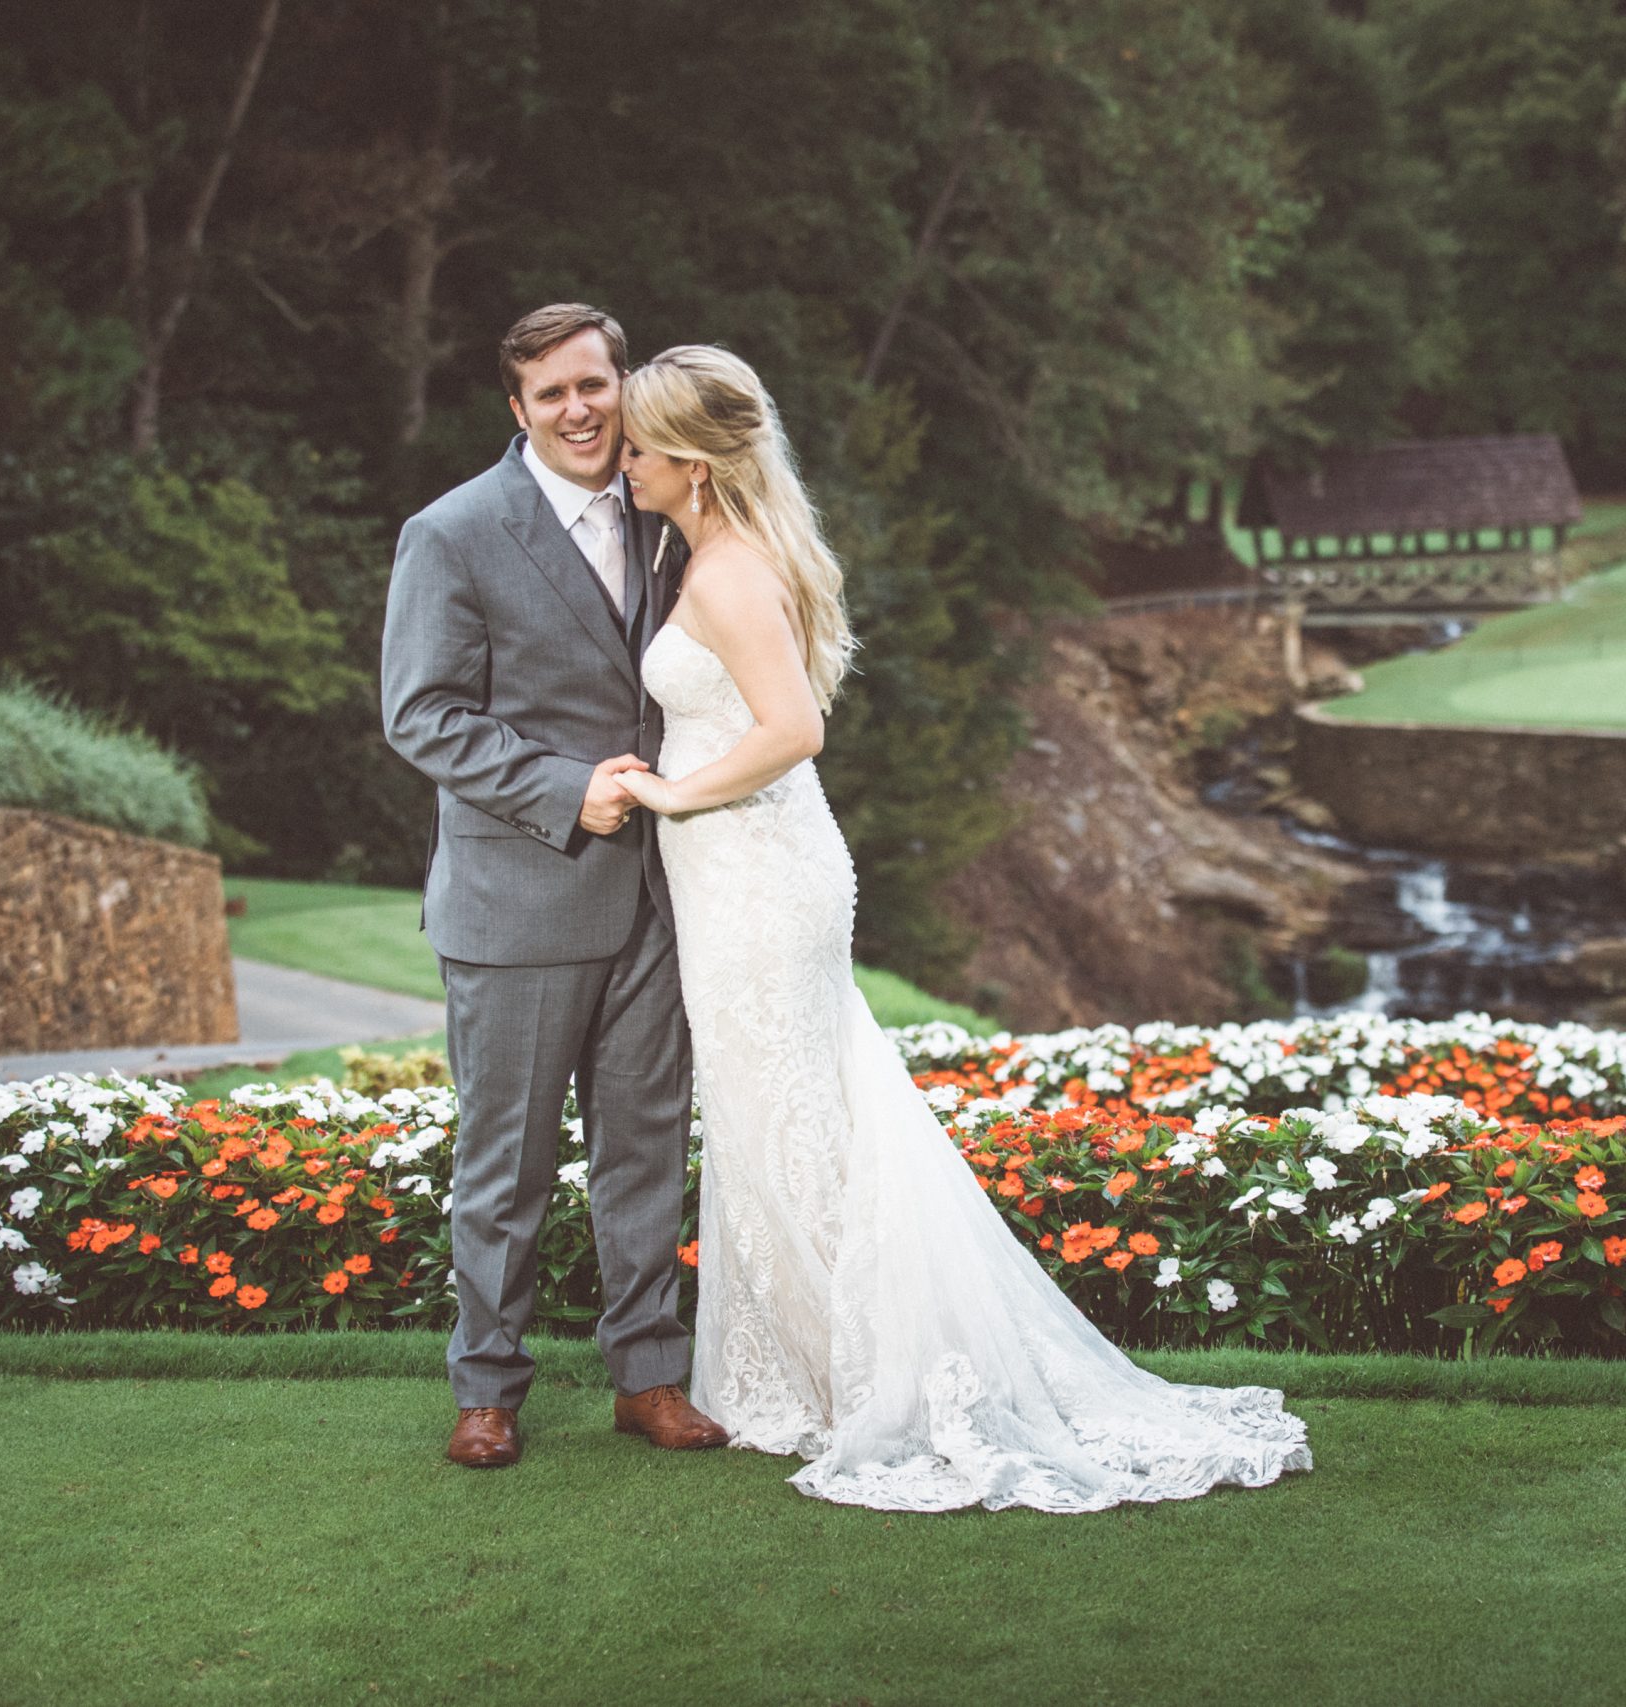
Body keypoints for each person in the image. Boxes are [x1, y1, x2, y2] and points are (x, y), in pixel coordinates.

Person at [612, 345, 1313, 1512]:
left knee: (792, 1120)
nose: (622, 463)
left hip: (757, 874)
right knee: (773, 1119)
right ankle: (819, 1372)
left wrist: (672, 793)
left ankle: (882, 1379)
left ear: (689, 460)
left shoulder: (730, 572)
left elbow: (790, 729)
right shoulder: (715, 551)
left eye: (639, 447)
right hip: (744, 872)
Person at [380, 304, 730, 1468]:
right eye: (552, 394)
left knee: (644, 1151)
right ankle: (487, 1391)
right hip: (519, 900)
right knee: (506, 1166)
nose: (580, 409)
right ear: (517, 410)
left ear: (622, 384)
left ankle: (649, 1379)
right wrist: (562, 788)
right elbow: (420, 715)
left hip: (655, 897)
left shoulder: (670, 511)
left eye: (595, 383)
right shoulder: (454, 532)